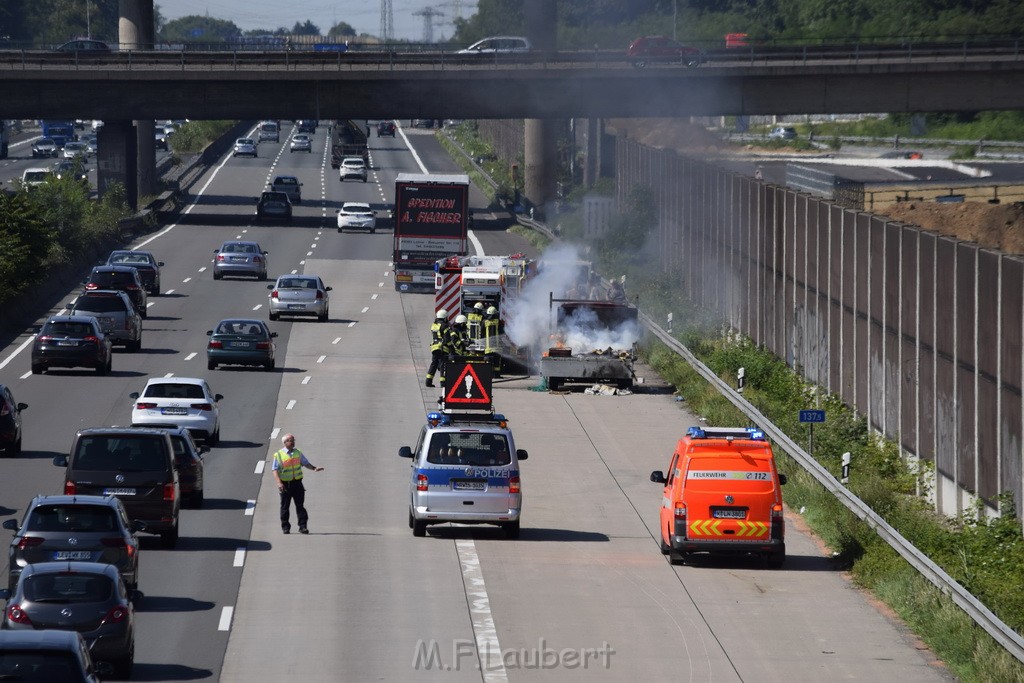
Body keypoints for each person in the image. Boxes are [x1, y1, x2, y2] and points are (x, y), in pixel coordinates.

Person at [272, 433, 324, 534]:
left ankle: (303, 526)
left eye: (293, 440)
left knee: (300, 506)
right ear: (285, 442)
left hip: (297, 484)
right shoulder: (278, 455)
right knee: (285, 507)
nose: (293, 442)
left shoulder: (298, 452)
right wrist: (279, 483)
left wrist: (314, 468)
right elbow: (274, 470)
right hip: (285, 485)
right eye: (291, 440)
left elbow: (305, 463)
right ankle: (285, 527)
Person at [425, 309, 449, 388]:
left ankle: (428, 381)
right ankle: (443, 383)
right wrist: (451, 347)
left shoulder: (433, 325)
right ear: (444, 317)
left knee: (434, 364)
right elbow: (447, 339)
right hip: (442, 348)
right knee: (442, 364)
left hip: (434, 347)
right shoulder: (444, 326)